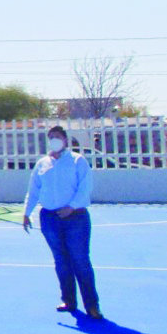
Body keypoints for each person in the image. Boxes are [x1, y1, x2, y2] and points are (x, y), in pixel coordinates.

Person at [22, 125, 101, 319]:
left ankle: (92, 305)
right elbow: (34, 189)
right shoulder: (42, 164)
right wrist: (26, 212)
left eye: (57, 137)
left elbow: (85, 187)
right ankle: (69, 300)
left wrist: (72, 207)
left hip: (75, 218)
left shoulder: (77, 161)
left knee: (80, 260)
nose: (54, 140)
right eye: (51, 137)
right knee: (60, 261)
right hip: (50, 219)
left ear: (65, 140)